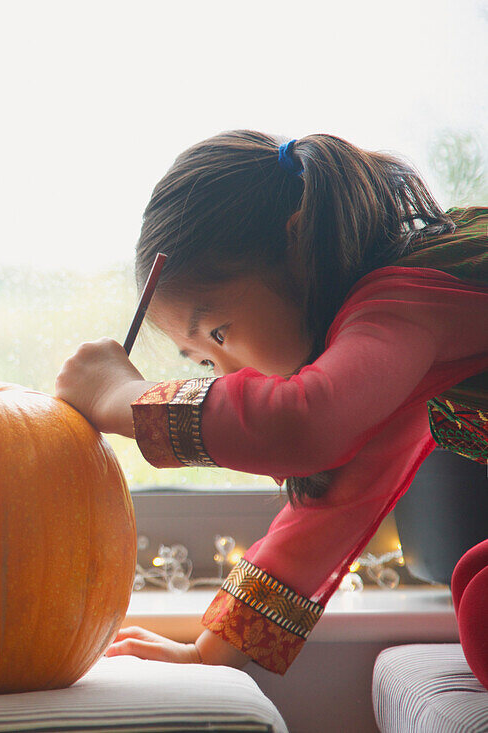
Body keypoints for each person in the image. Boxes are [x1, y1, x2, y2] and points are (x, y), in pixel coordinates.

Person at [56, 130, 488, 685]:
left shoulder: (403, 300)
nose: (231, 374)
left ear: (297, 243)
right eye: (205, 363)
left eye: (219, 332)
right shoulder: (394, 333)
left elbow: (301, 424)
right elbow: (335, 503)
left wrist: (121, 399)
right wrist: (211, 653)